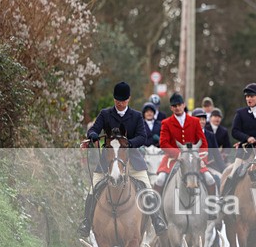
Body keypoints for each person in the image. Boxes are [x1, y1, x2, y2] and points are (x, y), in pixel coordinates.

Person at [79, 81, 167, 236]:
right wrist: (93, 134)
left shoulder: (136, 116)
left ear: (128, 100)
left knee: (148, 188)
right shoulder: (105, 114)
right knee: (92, 189)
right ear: (114, 100)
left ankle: (157, 219)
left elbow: (142, 136)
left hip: (132, 161)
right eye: (117, 101)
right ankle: (86, 222)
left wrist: (128, 144)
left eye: (123, 101)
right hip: (108, 161)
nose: (120, 104)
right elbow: (94, 128)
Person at [154, 93, 218, 219]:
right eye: (174, 106)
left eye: (179, 105)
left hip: (194, 159)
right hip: (172, 159)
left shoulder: (194, 121)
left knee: (210, 179)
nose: (177, 108)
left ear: (183, 105)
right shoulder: (166, 123)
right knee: (160, 180)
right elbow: (163, 143)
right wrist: (178, 154)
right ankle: (157, 213)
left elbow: (203, 142)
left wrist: (201, 159)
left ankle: (210, 208)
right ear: (171, 108)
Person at [205, 109, 231, 173]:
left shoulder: (224, 131)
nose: (217, 119)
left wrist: (224, 154)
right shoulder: (205, 128)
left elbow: (227, 146)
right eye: (215, 116)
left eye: (219, 117)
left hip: (219, 157)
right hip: (207, 157)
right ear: (210, 118)